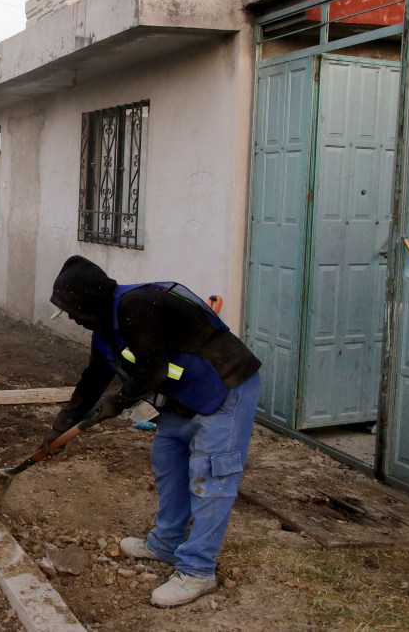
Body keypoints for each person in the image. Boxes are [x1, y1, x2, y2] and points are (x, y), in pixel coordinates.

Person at [44, 256, 262, 609]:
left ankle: (198, 570)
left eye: (72, 310)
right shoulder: (105, 331)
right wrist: (57, 431)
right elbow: (91, 382)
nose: (70, 318)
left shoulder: (138, 306)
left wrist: (120, 402)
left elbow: (154, 369)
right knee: (167, 458)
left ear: (90, 302)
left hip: (226, 386)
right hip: (184, 396)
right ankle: (166, 543)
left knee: (210, 476)